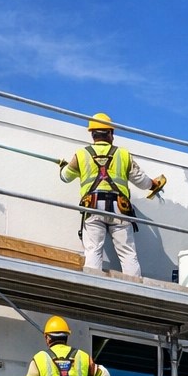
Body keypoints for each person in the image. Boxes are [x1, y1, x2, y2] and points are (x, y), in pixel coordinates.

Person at [58, 112, 165, 278]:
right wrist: (154, 184)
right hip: (120, 209)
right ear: (110, 133)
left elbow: (65, 177)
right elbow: (143, 182)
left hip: (93, 207)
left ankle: (92, 286)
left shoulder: (81, 155)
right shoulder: (123, 155)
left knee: (93, 251)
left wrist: (65, 167)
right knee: (128, 253)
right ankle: (134, 291)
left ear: (92, 134)